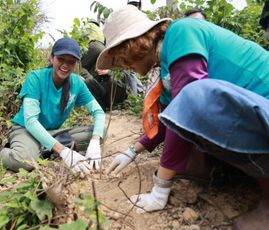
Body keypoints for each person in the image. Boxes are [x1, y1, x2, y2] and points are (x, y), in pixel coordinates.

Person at [98, 5, 269, 228]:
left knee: (191, 97)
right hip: (257, 116)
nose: (123, 65)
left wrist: (160, 189)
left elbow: (186, 107)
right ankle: (220, 172)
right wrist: (133, 150)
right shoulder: (169, 62)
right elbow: (170, 119)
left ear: (133, 46)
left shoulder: (182, 32)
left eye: (121, 58)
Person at [0, 38, 105, 175]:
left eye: (71, 61)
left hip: (52, 132)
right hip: (25, 129)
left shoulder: (77, 83)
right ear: (51, 57)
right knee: (24, 162)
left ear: (76, 64)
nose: (65, 65)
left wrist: (95, 141)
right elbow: (31, 122)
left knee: (100, 133)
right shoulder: (35, 78)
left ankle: (44, 147)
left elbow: (98, 112)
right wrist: (64, 151)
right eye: (61, 59)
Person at [81, 19, 143, 111]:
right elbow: (83, 69)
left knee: (112, 81)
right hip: (103, 91)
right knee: (89, 82)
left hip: (117, 91)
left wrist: (108, 72)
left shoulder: (121, 54)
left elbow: (125, 76)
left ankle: (115, 106)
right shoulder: (99, 53)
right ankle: (100, 110)